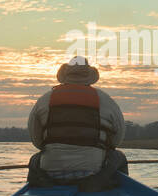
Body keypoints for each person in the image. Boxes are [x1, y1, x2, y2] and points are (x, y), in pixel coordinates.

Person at [27, 56, 127, 189]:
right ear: (88, 77)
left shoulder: (45, 99)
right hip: (94, 174)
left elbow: (37, 141)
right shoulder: (105, 100)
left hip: (50, 173)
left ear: (65, 75)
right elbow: (116, 140)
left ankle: (41, 191)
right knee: (118, 156)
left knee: (35, 160)